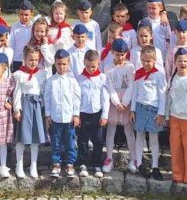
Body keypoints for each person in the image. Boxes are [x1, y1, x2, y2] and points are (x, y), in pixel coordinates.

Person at [124, 46, 167, 180]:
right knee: (140, 136)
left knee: (153, 138)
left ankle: (155, 166)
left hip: (153, 110)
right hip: (140, 108)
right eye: (143, 61)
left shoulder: (159, 75)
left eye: (149, 61)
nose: (146, 64)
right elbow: (135, 93)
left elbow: (163, 95)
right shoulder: (138, 74)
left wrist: (161, 113)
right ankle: (140, 163)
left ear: (154, 60)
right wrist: (132, 110)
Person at [44, 49, 81, 179]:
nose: (62, 66)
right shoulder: (50, 81)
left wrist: (76, 114)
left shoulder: (72, 80)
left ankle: (70, 163)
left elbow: (76, 98)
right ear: (55, 64)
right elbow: (47, 98)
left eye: (64, 64)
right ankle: (56, 163)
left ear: (68, 63)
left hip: (69, 118)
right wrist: (48, 115)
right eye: (59, 64)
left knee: (70, 142)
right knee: (56, 142)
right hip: (55, 118)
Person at [166, 48, 187, 186]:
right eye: (180, 61)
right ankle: (177, 174)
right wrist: (167, 115)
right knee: (175, 146)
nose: (183, 63)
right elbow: (169, 97)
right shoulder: (172, 78)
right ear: (175, 62)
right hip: (175, 116)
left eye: (185, 61)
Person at [12, 45, 47, 178]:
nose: (33, 62)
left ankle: (33, 165)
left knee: (35, 138)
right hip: (25, 105)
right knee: (22, 137)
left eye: (36, 60)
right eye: (30, 59)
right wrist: (17, 109)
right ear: (24, 59)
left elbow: (43, 92)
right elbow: (17, 93)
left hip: (37, 107)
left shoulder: (41, 74)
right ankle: (19, 166)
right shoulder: (19, 74)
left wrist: (45, 108)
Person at [103, 38, 135, 174]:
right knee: (111, 130)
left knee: (129, 130)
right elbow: (109, 87)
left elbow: (131, 86)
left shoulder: (130, 67)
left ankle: (134, 159)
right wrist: (116, 103)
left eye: (122, 54)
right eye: (117, 54)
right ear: (112, 53)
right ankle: (109, 158)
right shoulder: (108, 67)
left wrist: (125, 103)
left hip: (126, 101)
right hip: (114, 101)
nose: (120, 57)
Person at [75, 49, 108, 178]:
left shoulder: (102, 78)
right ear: (84, 62)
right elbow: (76, 98)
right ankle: (83, 163)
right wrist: (76, 114)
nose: (90, 69)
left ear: (98, 63)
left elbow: (105, 98)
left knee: (98, 140)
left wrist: (104, 115)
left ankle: (97, 164)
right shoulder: (79, 78)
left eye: (93, 66)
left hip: (97, 114)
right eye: (88, 66)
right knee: (83, 140)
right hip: (83, 113)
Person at [9, 0, 35, 73]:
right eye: (21, 14)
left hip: (30, 60)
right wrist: (10, 60)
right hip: (17, 60)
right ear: (18, 14)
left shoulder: (34, 27)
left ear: (31, 14)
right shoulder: (15, 27)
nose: (24, 17)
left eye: (26, 15)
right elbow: (11, 44)